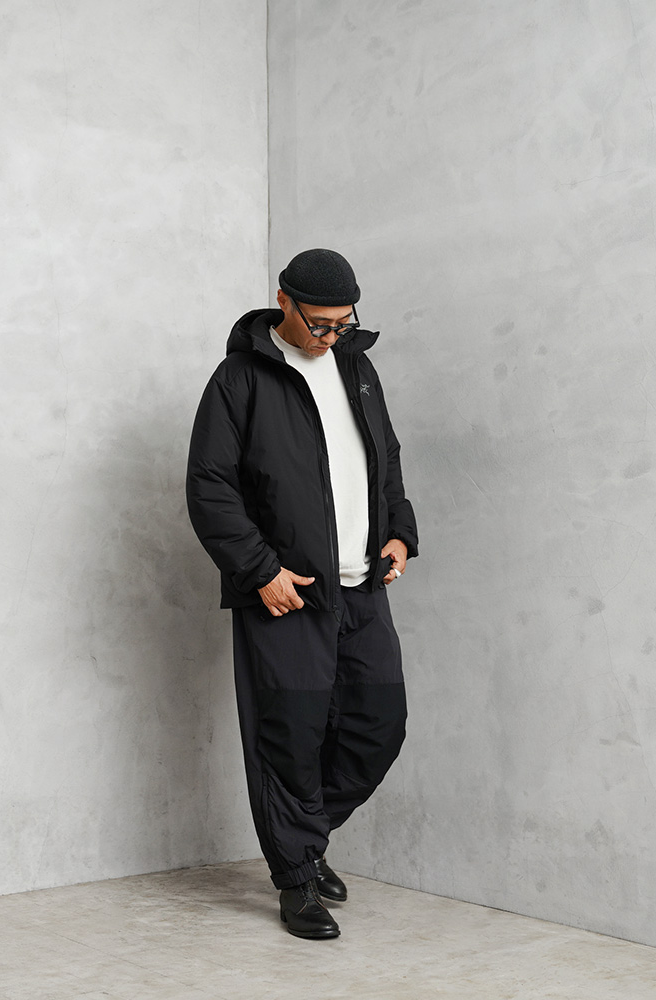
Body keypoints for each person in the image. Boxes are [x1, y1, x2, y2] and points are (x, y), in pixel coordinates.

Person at [185, 248, 418, 940]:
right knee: (287, 738)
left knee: (379, 725)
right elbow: (210, 486)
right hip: (286, 592)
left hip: (362, 586)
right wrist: (260, 571)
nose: (332, 336)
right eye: (320, 324)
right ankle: (295, 878)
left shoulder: (357, 368)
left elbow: (386, 459)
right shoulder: (238, 380)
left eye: (344, 324)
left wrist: (400, 533)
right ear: (283, 301)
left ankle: (303, 840)